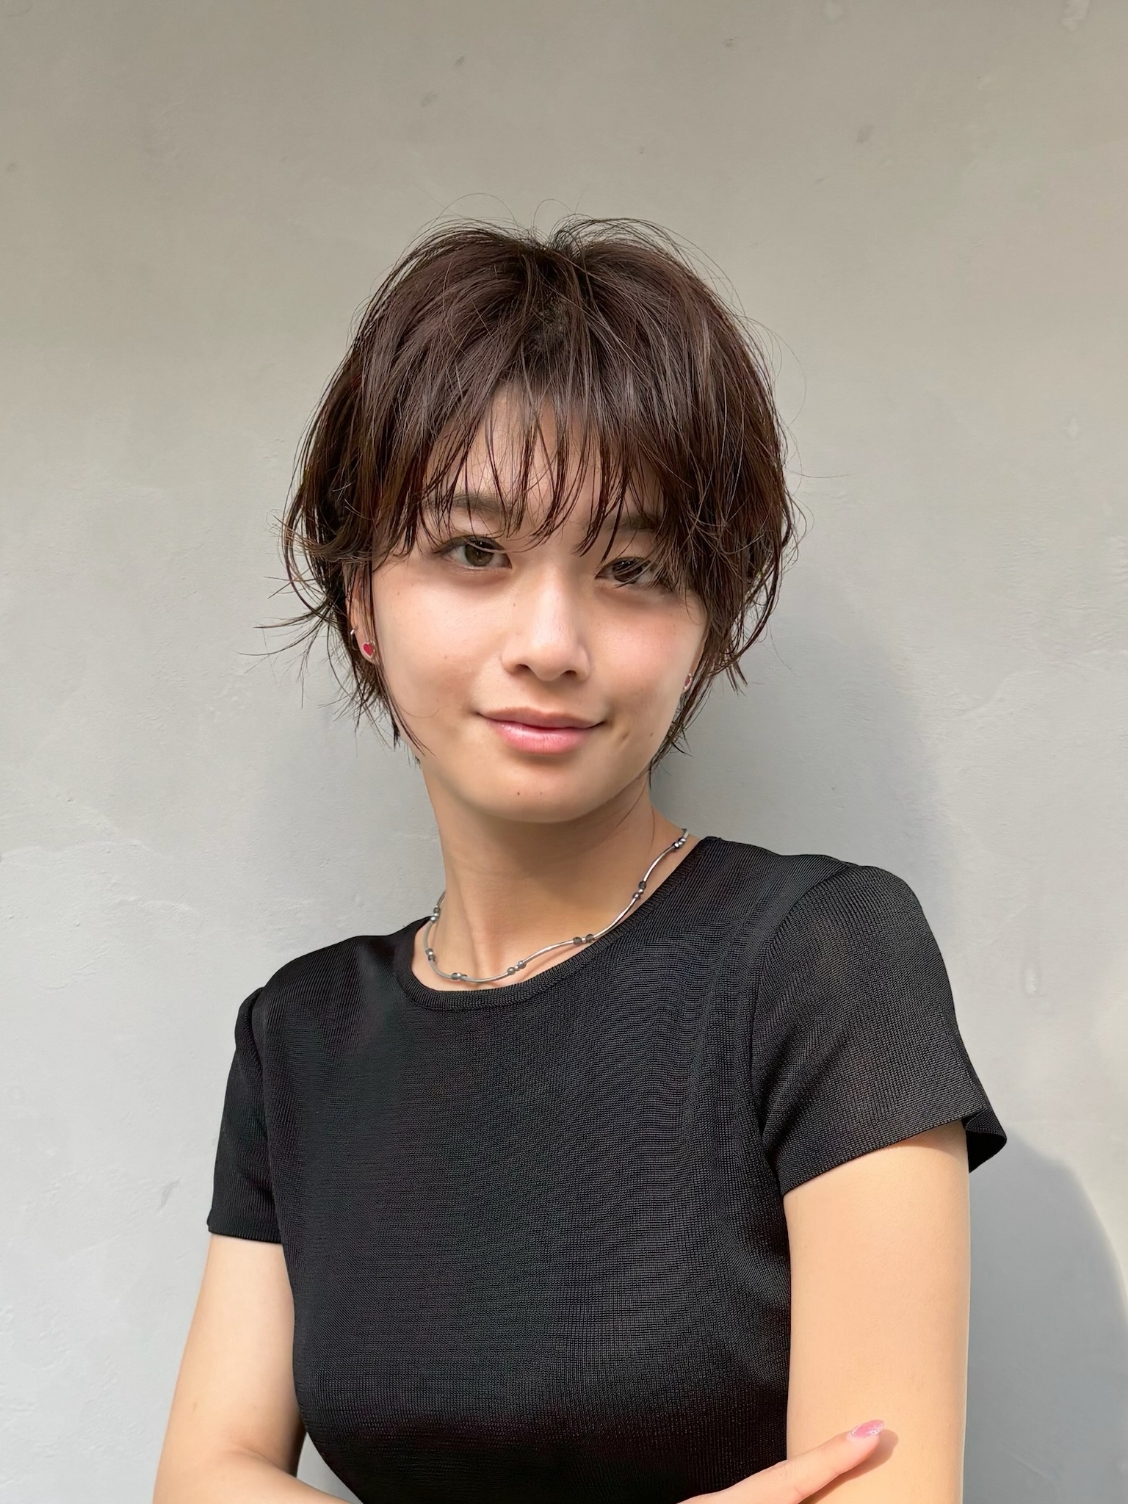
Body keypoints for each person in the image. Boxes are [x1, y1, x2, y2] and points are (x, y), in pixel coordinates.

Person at [153, 217, 1007, 1504]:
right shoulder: (300, 1035)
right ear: (362, 598)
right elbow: (199, 1477)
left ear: (707, 622)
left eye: (633, 567)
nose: (551, 640)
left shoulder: (821, 958)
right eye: (476, 551)